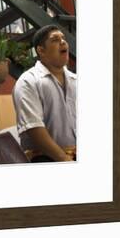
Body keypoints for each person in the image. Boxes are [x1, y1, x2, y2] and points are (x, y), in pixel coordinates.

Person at [12, 25, 76, 162]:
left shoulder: (76, 80)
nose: (63, 42)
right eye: (55, 40)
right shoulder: (28, 81)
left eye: (63, 38)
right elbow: (34, 127)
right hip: (45, 161)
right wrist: (64, 159)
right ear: (41, 50)